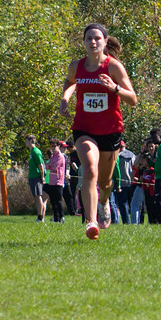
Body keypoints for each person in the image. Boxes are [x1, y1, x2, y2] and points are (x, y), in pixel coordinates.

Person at [59, 23, 137, 239]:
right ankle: (91, 222)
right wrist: (65, 98)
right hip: (84, 128)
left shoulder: (114, 67)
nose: (93, 42)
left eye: (97, 38)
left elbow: (133, 99)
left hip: (110, 131)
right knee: (90, 169)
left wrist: (114, 88)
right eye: (89, 38)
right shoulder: (76, 66)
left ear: (105, 42)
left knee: (105, 182)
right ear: (83, 42)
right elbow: (70, 81)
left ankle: (104, 201)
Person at [24, 135, 47, 223]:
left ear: (31, 141)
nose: (25, 143)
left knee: (38, 196)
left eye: (26, 141)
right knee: (36, 196)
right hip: (32, 177)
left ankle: (40, 217)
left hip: (36, 177)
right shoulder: (31, 152)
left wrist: (42, 177)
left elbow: (40, 165)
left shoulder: (36, 152)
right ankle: (39, 216)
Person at [114, 141, 136, 224]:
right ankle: (135, 222)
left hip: (122, 183)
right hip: (132, 182)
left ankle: (126, 222)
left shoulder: (117, 156)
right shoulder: (133, 155)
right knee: (133, 205)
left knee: (123, 205)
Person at [45, 140, 67, 223]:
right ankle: (56, 218)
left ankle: (61, 217)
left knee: (58, 200)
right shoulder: (52, 156)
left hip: (58, 181)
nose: (53, 148)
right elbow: (47, 166)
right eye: (52, 146)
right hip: (51, 181)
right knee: (52, 201)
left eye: (55, 146)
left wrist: (50, 165)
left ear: (58, 146)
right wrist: (50, 165)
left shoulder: (60, 156)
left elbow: (54, 167)